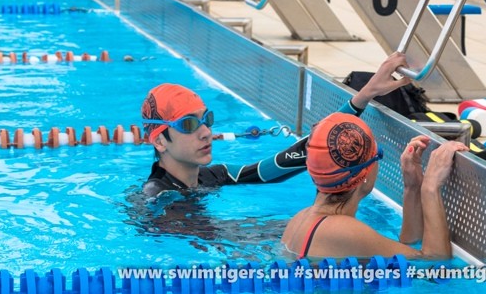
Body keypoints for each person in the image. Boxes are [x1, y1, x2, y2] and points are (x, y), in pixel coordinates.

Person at [139, 52, 412, 198]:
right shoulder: (155, 198)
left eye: (206, 120)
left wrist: (363, 95)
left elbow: (285, 161)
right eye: (188, 124)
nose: (206, 132)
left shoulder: (212, 177)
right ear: (160, 140)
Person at [280, 115, 464, 260]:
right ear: (365, 173)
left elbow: (411, 250)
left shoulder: (300, 219)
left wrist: (412, 187)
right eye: (378, 155)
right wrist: (430, 188)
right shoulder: (342, 230)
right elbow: (434, 263)